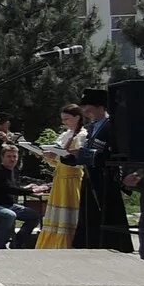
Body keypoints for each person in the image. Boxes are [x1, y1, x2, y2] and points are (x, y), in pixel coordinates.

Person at [64, 87, 134, 252]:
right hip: (90, 177)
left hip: (106, 178)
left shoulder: (112, 126)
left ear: (100, 106)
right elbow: (86, 152)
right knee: (89, 216)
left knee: (108, 214)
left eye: (89, 106)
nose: (85, 110)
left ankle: (112, 246)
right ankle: (90, 245)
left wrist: (85, 154)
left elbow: (114, 153)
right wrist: (70, 157)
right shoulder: (92, 127)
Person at [35, 105, 87, 249]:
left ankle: (69, 243)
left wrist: (57, 156)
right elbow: (56, 161)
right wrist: (48, 156)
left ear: (77, 117)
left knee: (69, 214)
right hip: (60, 179)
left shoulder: (83, 135)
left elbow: (78, 161)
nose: (65, 122)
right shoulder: (65, 135)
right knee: (56, 215)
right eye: (63, 119)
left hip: (73, 179)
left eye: (67, 119)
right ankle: (53, 243)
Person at [0, 145, 45, 248]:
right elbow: (9, 189)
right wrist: (31, 191)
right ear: (2, 158)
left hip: (9, 205)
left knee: (35, 216)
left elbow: (14, 187)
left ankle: (17, 242)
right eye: (9, 156)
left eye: (14, 156)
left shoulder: (13, 172)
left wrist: (27, 188)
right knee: (10, 215)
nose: (12, 159)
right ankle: (0, 246)